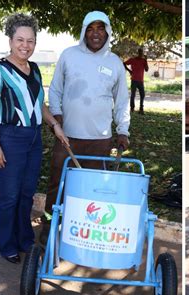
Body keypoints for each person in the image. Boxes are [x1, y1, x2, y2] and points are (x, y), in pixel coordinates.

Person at [39, 11, 130, 244]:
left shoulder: (115, 62)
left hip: (100, 140)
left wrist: (123, 131)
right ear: (84, 31)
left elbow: (121, 102)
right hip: (67, 136)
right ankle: (49, 226)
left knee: (93, 189)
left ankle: (83, 235)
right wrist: (57, 117)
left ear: (108, 32)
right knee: (57, 183)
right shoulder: (69, 55)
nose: (96, 33)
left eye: (101, 28)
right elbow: (56, 89)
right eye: (91, 28)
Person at [0, 13, 68, 264]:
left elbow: (38, 104)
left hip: (33, 138)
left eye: (30, 40)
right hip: (10, 137)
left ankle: (24, 238)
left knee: (27, 193)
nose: (25, 45)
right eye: (20, 39)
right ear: (10, 40)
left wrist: (54, 124)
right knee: (9, 195)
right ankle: (7, 245)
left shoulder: (35, 69)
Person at [124, 48, 149, 114]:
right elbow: (124, 63)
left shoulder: (144, 60)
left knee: (142, 95)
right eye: (140, 52)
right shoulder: (133, 60)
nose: (141, 53)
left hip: (141, 81)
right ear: (138, 52)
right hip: (134, 80)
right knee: (133, 95)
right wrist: (129, 71)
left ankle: (141, 109)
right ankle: (132, 108)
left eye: (142, 52)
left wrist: (146, 60)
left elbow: (146, 70)